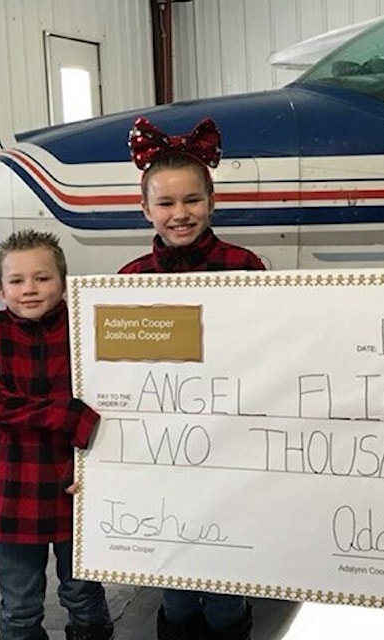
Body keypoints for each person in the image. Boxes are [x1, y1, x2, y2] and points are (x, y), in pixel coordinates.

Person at [120, 116, 263, 640]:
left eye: (192, 201)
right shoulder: (127, 285)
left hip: (232, 454)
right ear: (144, 209)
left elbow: (272, 356)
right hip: (164, 461)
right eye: (165, 204)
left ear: (212, 201)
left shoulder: (246, 268)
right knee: (177, 596)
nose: (180, 215)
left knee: (226, 599)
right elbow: (116, 384)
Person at [0, 229, 114, 640]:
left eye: (42, 278)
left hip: (77, 488)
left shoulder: (88, 329)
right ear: (0, 288)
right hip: (13, 492)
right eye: (17, 281)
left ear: (63, 282)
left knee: (83, 593)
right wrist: (66, 416)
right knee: (19, 605)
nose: (29, 289)